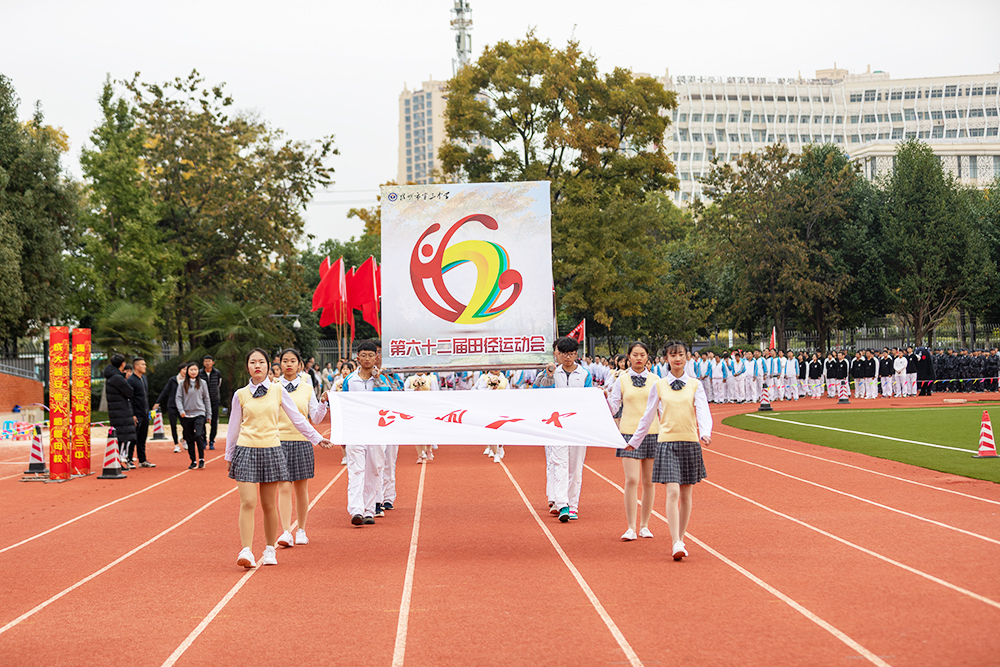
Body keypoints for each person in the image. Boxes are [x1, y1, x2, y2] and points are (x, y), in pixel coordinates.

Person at [227, 348, 331, 568]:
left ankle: (269, 549)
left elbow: (298, 419)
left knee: (268, 504)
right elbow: (233, 427)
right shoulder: (240, 394)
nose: (257, 366)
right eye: (252, 362)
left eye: (261, 362)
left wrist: (317, 438)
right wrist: (229, 455)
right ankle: (246, 550)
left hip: (272, 449)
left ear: (268, 366)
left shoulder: (278, 391)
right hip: (246, 450)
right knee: (248, 502)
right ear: (247, 367)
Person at [628, 340, 712, 561]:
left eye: (681, 354)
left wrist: (705, 432)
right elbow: (648, 416)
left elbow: (703, 410)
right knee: (672, 492)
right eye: (673, 355)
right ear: (666, 358)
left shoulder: (695, 384)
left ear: (687, 357)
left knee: (686, 494)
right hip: (667, 443)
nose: (677, 359)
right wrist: (635, 441)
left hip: (690, 442)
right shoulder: (659, 385)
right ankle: (675, 541)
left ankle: (681, 538)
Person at [273, 348, 328, 549]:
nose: (288, 364)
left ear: (299, 365)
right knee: (284, 487)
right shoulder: (273, 387)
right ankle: (286, 531)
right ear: (279, 364)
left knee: (301, 488)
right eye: (285, 361)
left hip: (302, 441)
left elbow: (316, 418)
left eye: (292, 361)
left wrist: (323, 403)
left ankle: (301, 529)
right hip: (279, 442)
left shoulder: (307, 388)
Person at [606, 342, 659, 541]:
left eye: (642, 355)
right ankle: (631, 527)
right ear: (628, 357)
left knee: (649, 481)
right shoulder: (621, 380)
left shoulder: (656, 380)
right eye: (635, 355)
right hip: (628, 433)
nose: (638, 358)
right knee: (631, 480)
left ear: (647, 357)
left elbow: (662, 408)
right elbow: (613, 407)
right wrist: (602, 399)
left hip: (652, 433)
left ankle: (644, 525)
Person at [535, 336, 591, 522]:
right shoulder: (551, 372)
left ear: (576, 354)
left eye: (571, 354)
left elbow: (589, 398)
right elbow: (538, 394)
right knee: (559, 465)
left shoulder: (584, 374)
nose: (568, 357)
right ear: (558, 354)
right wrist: (549, 376)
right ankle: (562, 504)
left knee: (575, 468)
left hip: (577, 427)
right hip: (556, 426)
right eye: (564, 354)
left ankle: (573, 505)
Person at [342, 340, 392, 525]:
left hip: (376, 430)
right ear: (358, 357)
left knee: (375, 469)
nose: (367, 359)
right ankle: (356, 509)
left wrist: (377, 379)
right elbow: (343, 405)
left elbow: (387, 400)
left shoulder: (382, 380)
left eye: (371, 355)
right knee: (356, 470)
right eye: (363, 355)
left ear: (376, 357)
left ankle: (370, 510)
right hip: (355, 430)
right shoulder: (350, 380)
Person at [103, 354, 137, 469]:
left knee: (121, 436)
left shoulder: (112, 376)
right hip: (121, 411)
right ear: (122, 364)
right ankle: (120, 460)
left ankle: (120, 460)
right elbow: (130, 392)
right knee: (123, 437)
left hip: (117, 411)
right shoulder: (117, 378)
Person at [176, 361, 211, 470]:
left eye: (195, 369)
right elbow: (178, 398)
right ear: (187, 371)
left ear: (198, 371)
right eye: (191, 370)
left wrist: (209, 414)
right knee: (189, 438)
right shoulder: (182, 384)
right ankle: (193, 460)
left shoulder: (202, 383)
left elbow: (206, 399)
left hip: (199, 413)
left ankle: (201, 458)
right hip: (186, 415)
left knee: (199, 435)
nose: (193, 372)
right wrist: (181, 410)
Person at [473, 369, 510, 463]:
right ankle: (495, 453)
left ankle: (500, 446)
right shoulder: (484, 378)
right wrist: (490, 388)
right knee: (491, 429)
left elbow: (508, 393)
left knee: (501, 428)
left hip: (501, 407)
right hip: (488, 407)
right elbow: (478, 390)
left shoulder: (504, 379)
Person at [127, 357, 155, 468]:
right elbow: (130, 399)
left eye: (145, 364)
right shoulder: (131, 380)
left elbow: (145, 396)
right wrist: (132, 414)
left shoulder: (144, 378)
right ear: (136, 366)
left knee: (142, 438)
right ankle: (129, 459)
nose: (145, 366)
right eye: (142, 364)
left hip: (144, 413)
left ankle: (142, 460)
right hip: (136, 414)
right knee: (133, 438)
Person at [154, 363, 187, 454]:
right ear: (180, 370)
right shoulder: (173, 380)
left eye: (187, 369)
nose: (185, 371)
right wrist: (158, 402)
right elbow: (165, 391)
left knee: (186, 425)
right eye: (184, 369)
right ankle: (176, 444)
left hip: (184, 406)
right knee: (173, 425)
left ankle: (184, 439)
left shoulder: (189, 381)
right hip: (172, 405)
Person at [200, 355, 223, 451]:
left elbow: (219, 384)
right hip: (202, 401)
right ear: (203, 363)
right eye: (206, 361)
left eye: (209, 361)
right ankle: (204, 439)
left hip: (214, 400)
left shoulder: (217, 373)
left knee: (214, 421)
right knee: (202, 421)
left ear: (213, 362)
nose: (207, 363)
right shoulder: (200, 373)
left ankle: (212, 440)